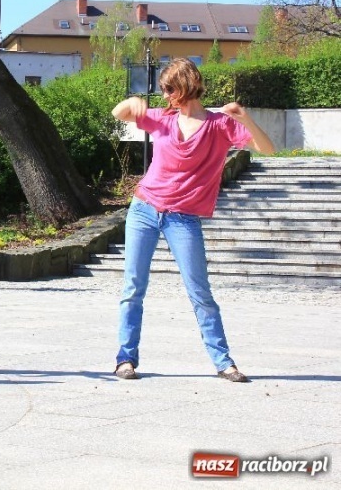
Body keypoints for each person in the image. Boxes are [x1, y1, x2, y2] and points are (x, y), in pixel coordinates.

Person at [111, 57, 274, 383]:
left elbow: (267, 149)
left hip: (183, 219)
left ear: (186, 87)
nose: (166, 95)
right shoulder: (162, 119)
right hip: (144, 210)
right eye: (164, 90)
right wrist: (130, 102)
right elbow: (119, 114)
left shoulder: (219, 124)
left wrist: (246, 118)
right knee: (133, 288)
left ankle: (224, 362)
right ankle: (125, 360)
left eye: (170, 89)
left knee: (200, 291)